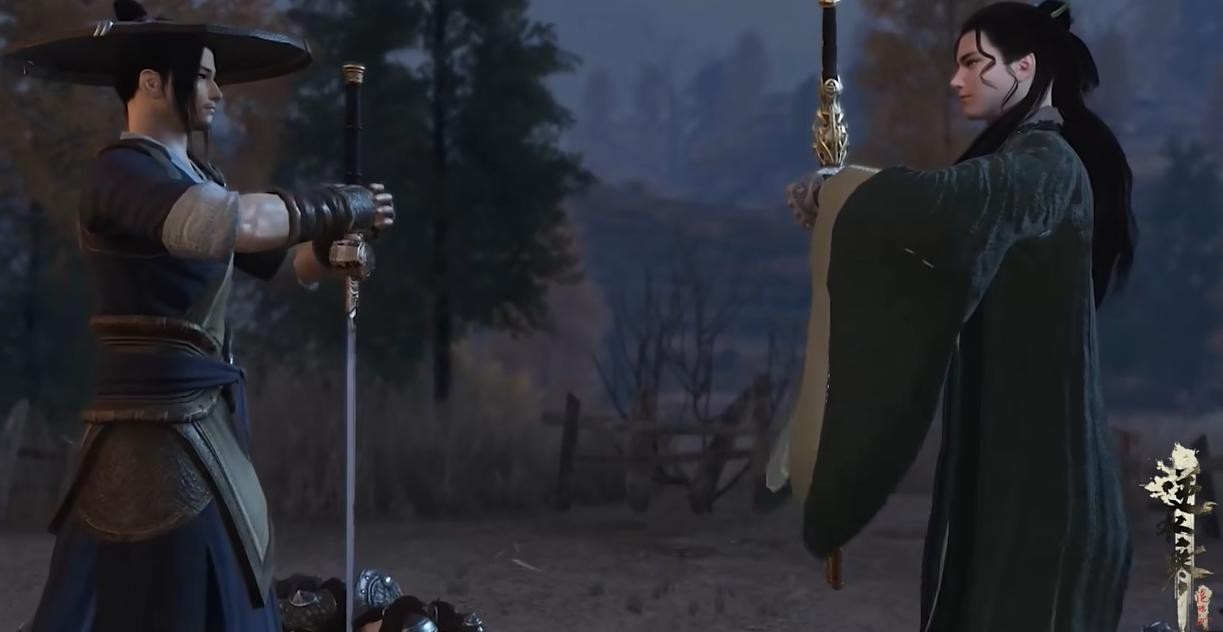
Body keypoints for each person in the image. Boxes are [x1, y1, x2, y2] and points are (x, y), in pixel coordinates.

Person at [2, 1, 395, 629]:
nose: (217, 92)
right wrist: (335, 205)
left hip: (199, 422)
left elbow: (279, 261)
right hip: (149, 431)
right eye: (204, 77)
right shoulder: (121, 171)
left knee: (224, 579)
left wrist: (333, 250)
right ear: (153, 82)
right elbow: (234, 223)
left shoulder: (196, 174)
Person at [773, 1, 1136, 630]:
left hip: (1047, 503)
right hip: (1017, 490)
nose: (956, 79)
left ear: (1024, 67)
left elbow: (946, 206)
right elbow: (943, 243)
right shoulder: (1025, 168)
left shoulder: (1045, 169)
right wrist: (847, 220)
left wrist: (842, 190)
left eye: (973, 63)